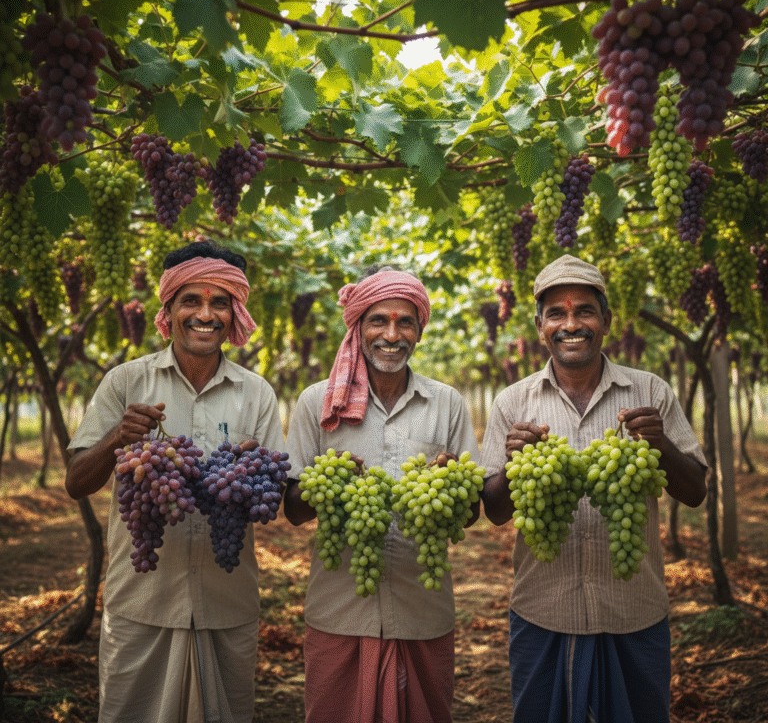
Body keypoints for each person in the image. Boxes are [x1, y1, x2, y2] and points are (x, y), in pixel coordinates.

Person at [480, 253, 707, 723]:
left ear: (606, 320)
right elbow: (496, 511)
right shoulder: (513, 402)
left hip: (633, 611)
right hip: (542, 611)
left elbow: (697, 490)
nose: (571, 324)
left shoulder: (651, 392)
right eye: (557, 314)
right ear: (540, 325)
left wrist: (660, 444)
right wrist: (511, 464)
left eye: (584, 310)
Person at [65, 239, 285, 723]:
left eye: (219, 302)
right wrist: (116, 439)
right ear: (168, 309)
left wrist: (248, 474)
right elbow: (77, 482)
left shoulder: (257, 394)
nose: (205, 314)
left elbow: (275, 502)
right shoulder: (126, 382)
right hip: (141, 603)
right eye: (191, 300)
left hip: (228, 604)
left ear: (235, 313)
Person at [283, 265, 480, 723]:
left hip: (422, 609)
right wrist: (328, 482)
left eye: (405, 321)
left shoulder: (446, 403)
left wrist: (451, 486)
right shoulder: (318, 402)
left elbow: (470, 515)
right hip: (339, 611)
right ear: (358, 326)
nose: (392, 334)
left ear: (419, 330)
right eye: (378, 320)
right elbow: (292, 510)